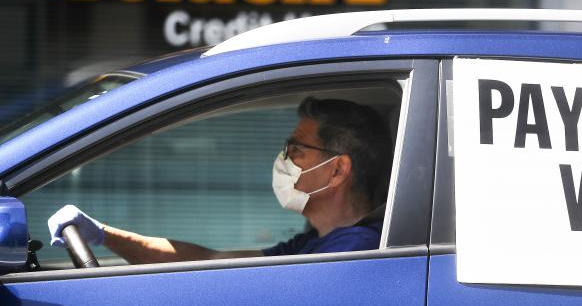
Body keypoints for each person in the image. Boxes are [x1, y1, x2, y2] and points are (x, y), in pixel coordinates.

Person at [47, 97, 394, 264]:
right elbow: (211, 258)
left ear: (337, 171)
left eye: (295, 149)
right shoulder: (313, 245)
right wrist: (105, 234)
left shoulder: (349, 251)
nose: (283, 159)